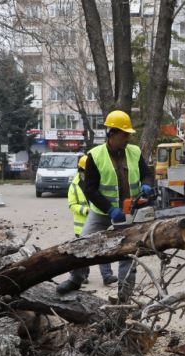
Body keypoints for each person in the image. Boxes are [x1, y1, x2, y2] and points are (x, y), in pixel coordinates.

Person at [57, 110, 155, 302]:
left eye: (128, 134)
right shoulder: (95, 155)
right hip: (102, 211)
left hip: (128, 212)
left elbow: (147, 174)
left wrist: (147, 185)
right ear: (112, 133)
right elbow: (91, 190)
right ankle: (75, 279)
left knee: (128, 253)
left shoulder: (134, 152)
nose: (127, 138)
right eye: (124, 134)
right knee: (82, 243)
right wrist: (110, 209)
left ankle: (124, 296)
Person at [64, 155, 118, 285]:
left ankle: (107, 276)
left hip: (98, 222)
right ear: (81, 171)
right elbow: (72, 205)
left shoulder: (97, 182)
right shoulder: (74, 186)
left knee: (102, 250)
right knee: (83, 251)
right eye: (86, 171)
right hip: (81, 225)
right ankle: (83, 276)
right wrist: (84, 210)